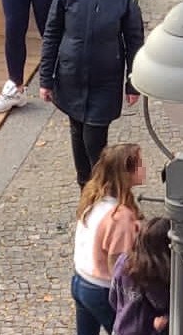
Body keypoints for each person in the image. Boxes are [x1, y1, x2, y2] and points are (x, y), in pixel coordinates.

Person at [38, 0, 144, 187]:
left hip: (105, 81)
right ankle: (85, 190)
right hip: (71, 77)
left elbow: (134, 40)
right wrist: (45, 79)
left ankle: (103, 188)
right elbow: (52, 34)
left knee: (94, 140)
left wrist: (133, 83)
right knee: (77, 133)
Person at [72, 143, 144, 335]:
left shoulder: (94, 198)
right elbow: (120, 266)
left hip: (80, 279)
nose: (144, 168)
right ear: (126, 172)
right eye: (140, 164)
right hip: (101, 289)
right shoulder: (120, 216)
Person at [110, 217, 171, 335]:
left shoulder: (123, 260)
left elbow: (113, 297)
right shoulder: (152, 275)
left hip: (120, 328)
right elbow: (162, 304)